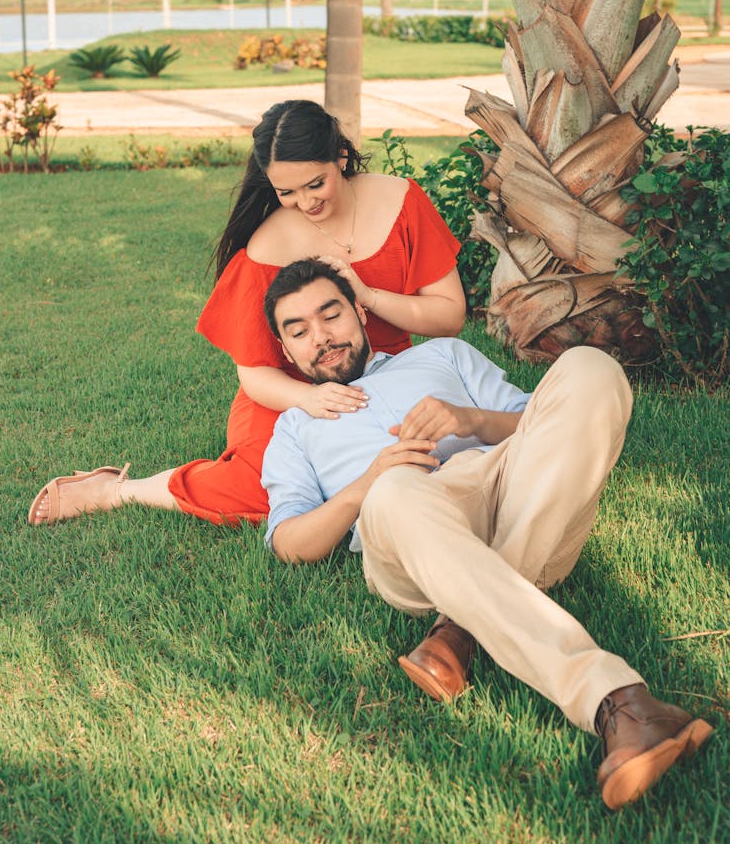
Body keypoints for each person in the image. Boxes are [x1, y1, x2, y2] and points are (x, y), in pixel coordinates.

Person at [260, 258, 713, 810]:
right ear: (287, 352)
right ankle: (613, 697)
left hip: (514, 494)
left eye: (330, 315)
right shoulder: (293, 425)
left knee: (590, 368)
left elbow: (547, 423)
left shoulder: (440, 355)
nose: (321, 338)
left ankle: (462, 628)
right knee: (396, 490)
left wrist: (470, 420)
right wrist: (366, 484)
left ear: (358, 312)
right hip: (409, 525)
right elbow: (288, 542)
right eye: (299, 331)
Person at [27, 99, 466, 528]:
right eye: (286, 192)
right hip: (290, 389)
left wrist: (366, 295)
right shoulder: (267, 246)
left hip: (380, 370)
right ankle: (119, 491)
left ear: (342, 156)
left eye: (316, 184)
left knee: (434, 452)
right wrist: (310, 399)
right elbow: (254, 374)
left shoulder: (401, 200)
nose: (305, 202)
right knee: (268, 490)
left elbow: (449, 317)